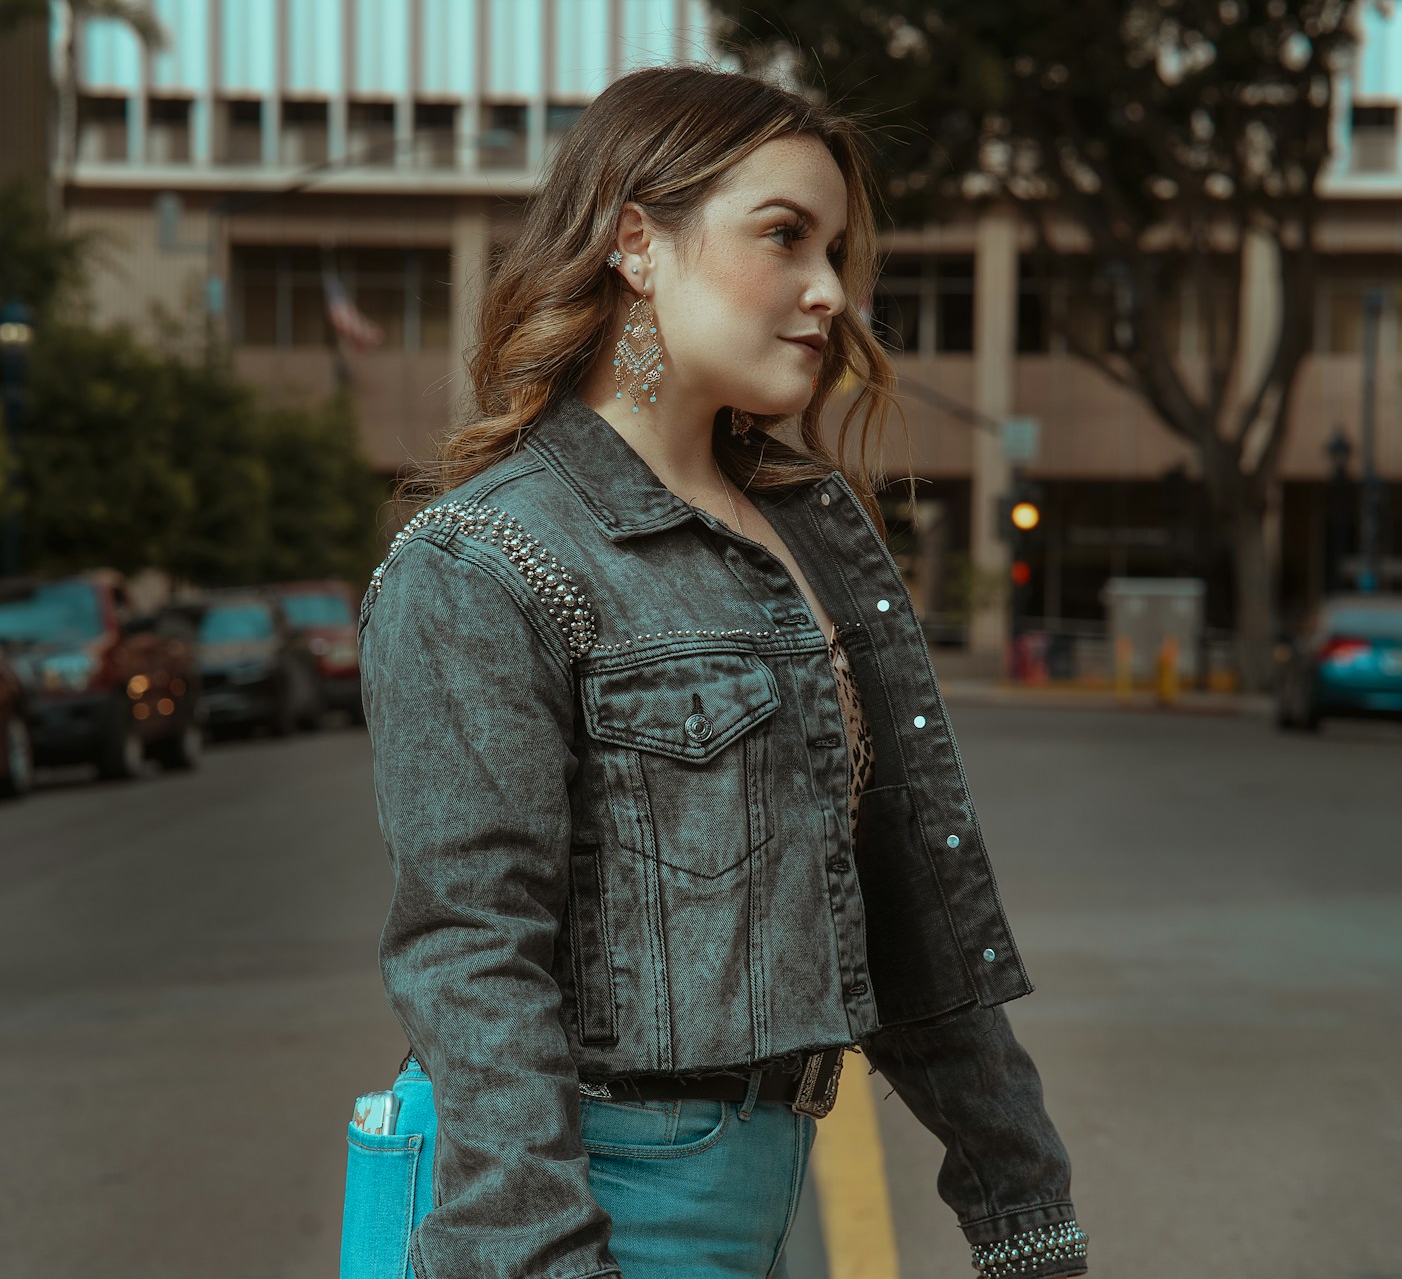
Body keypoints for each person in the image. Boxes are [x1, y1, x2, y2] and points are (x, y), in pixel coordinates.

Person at [358, 65, 1086, 1279]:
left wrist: (1027, 1210)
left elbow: (911, 901)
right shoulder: (482, 559)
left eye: (839, 250)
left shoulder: (811, 531)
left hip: (770, 1181)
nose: (829, 294)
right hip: (609, 1208)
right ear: (637, 243)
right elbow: (473, 958)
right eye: (785, 237)